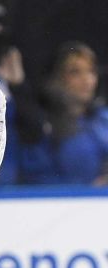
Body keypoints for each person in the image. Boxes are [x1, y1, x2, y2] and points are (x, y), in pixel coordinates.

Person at [20, 41, 108, 185]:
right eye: (75, 72)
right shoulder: (40, 125)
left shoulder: (103, 119)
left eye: (91, 71)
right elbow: (35, 179)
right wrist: (90, 187)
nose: (87, 80)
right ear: (56, 77)